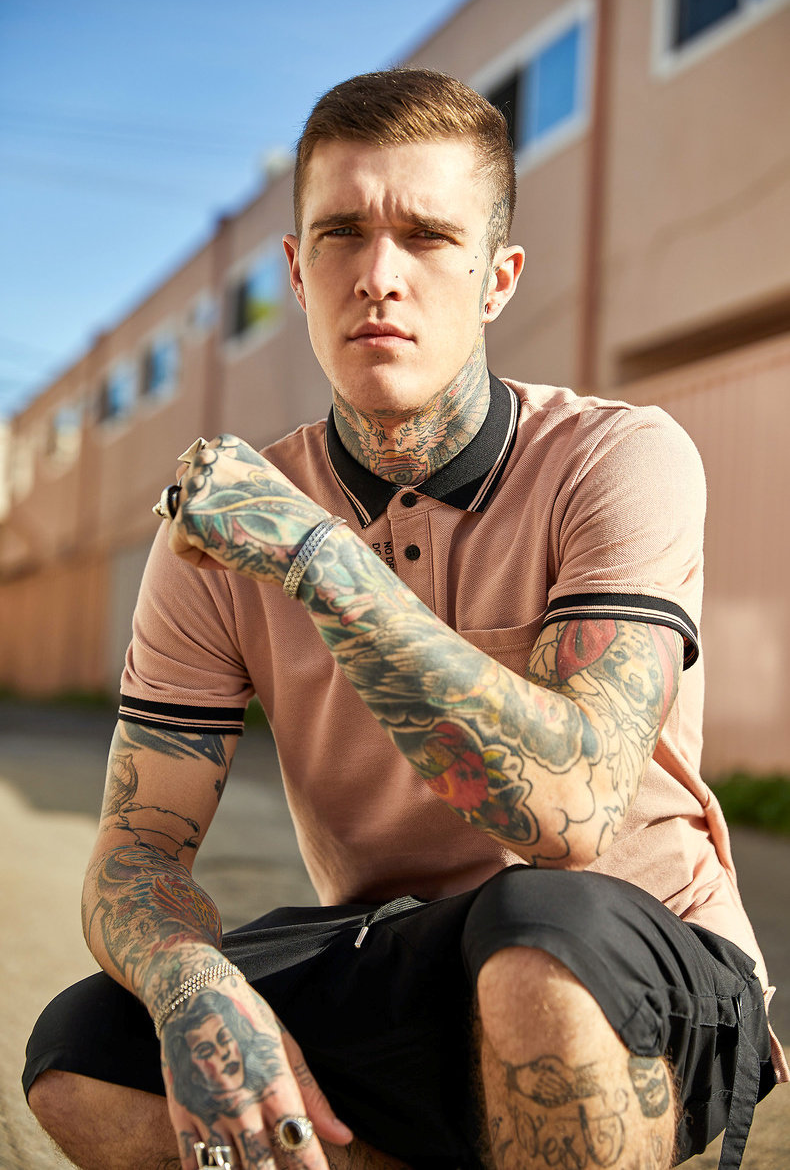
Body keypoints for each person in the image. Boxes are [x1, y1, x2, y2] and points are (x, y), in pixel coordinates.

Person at [23, 68, 786, 1170]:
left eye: (427, 236)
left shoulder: (618, 458)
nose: (378, 275)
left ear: (497, 279)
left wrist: (320, 560)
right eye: (341, 233)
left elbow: (568, 815)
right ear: (297, 271)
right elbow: (137, 845)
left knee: (536, 943)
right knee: (86, 1047)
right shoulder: (223, 521)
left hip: (634, 944)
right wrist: (195, 988)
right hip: (404, 945)